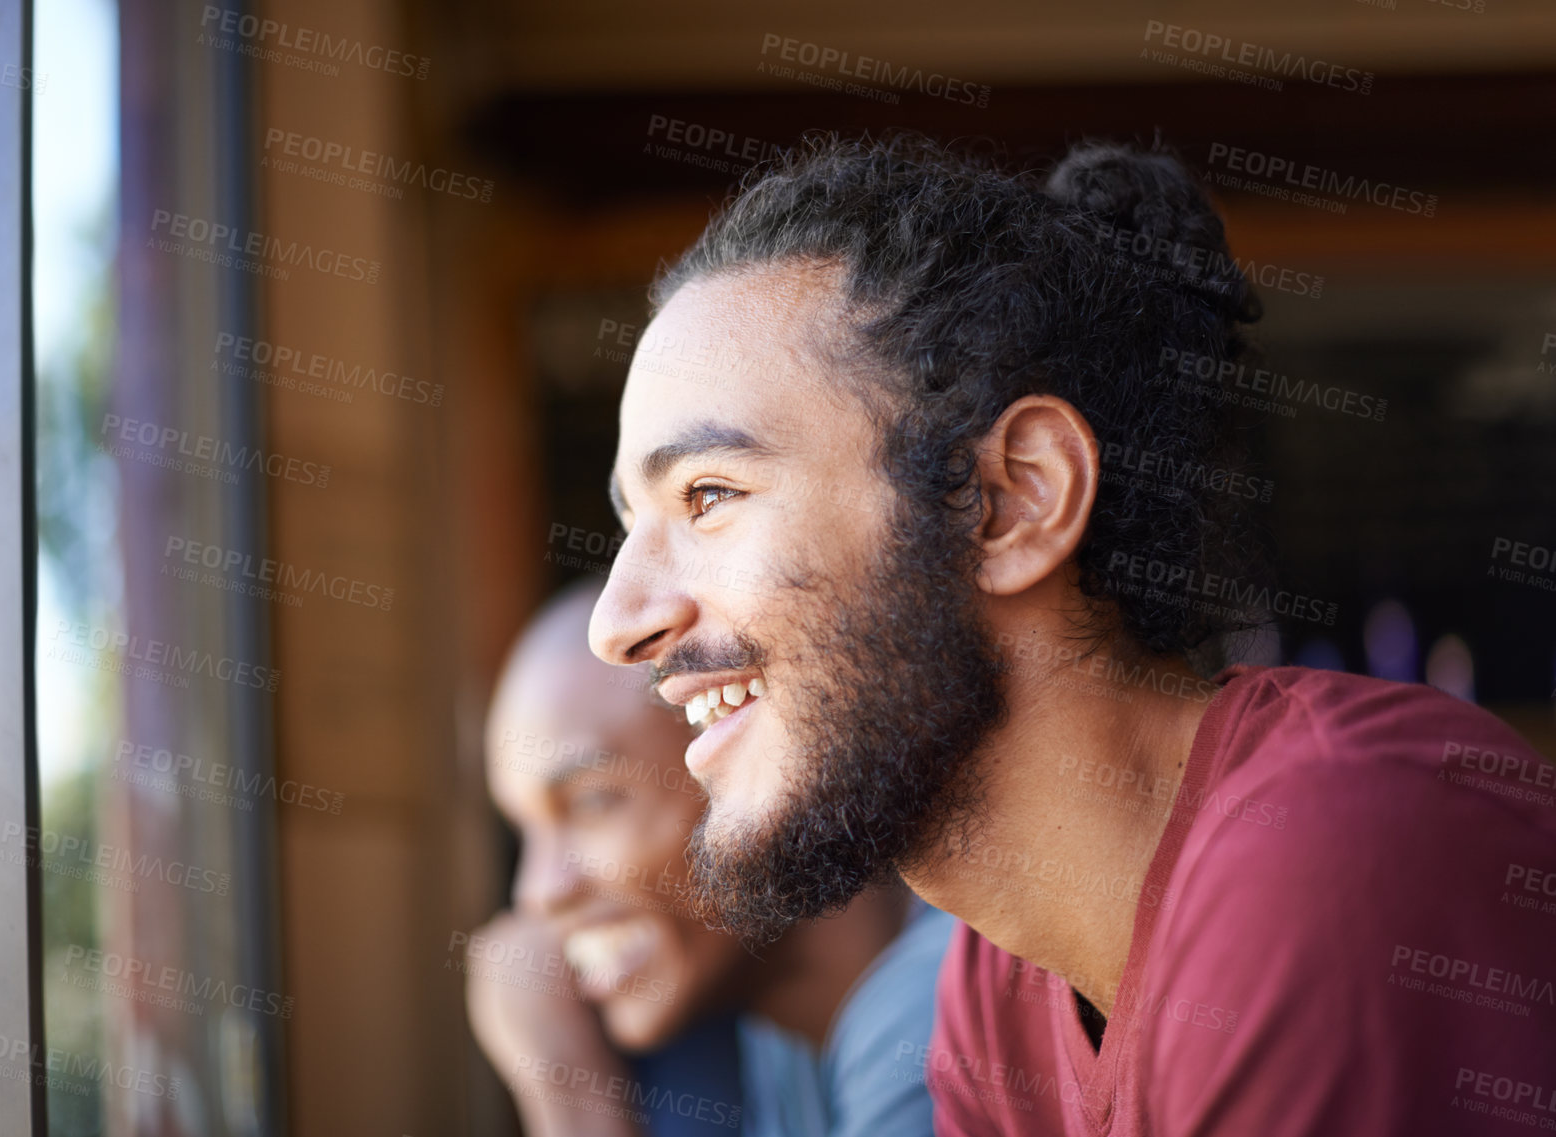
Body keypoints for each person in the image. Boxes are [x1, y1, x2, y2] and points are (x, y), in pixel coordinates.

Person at [586, 131, 1556, 1136]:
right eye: (629, 526)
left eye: (709, 495)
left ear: (1011, 501)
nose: (617, 625)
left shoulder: (1337, 843)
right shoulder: (996, 982)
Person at [465, 580, 951, 1137]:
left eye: (593, 802)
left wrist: (570, 1095)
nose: (538, 891)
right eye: (524, 830)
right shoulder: (762, 1035)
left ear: (742, 757)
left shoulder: (936, 1022)